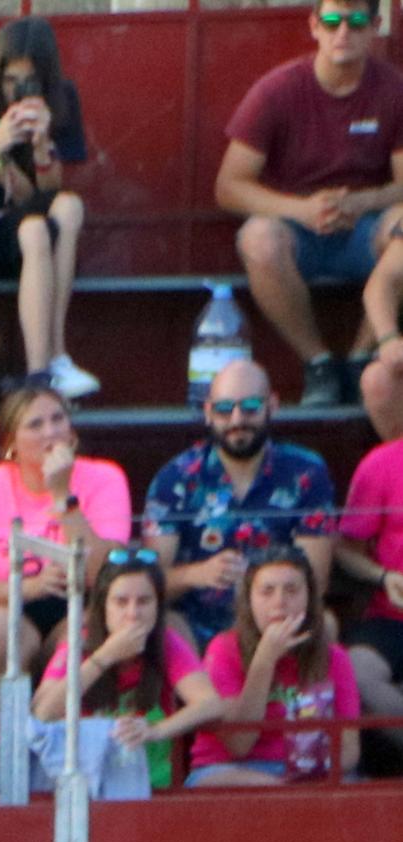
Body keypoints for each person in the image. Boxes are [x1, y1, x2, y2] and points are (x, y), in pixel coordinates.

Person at [217, 0, 403, 410]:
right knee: (258, 238)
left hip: (367, 231)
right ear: (314, 26)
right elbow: (229, 186)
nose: (343, 33)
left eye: (356, 22)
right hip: (297, 231)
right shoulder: (277, 89)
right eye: (333, 21)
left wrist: (362, 201)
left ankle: (360, 357)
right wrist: (300, 210)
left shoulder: (394, 90)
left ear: (374, 27)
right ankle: (317, 362)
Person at [0, 374, 126, 720]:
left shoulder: (104, 478)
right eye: (36, 424)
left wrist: (63, 497)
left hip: (78, 602)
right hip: (2, 606)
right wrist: (31, 587)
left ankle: (59, 756)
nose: (51, 432)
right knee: (2, 633)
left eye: (58, 419)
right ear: (10, 441)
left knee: (87, 629)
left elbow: (108, 574)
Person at [143, 356, 340, 652]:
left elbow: (316, 580)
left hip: (279, 615)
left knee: (326, 624)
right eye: (224, 409)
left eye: (250, 407)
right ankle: (204, 697)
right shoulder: (176, 477)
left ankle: (298, 699)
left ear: (271, 406)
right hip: (198, 624)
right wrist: (196, 574)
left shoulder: (306, 472)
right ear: (208, 412)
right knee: (165, 623)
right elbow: (150, 583)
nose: (237, 420)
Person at [0, 15, 95, 395]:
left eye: (27, 82)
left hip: (36, 224)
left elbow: (46, 193)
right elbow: (17, 197)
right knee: (34, 228)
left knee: (70, 207)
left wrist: (41, 144)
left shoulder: (63, 101)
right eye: (9, 80)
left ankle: (58, 356)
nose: (17, 91)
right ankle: (37, 373)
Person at [29, 550, 219, 796]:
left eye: (144, 601)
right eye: (121, 602)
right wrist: (104, 656)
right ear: (103, 606)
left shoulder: (166, 642)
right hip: (83, 789)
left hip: (151, 788)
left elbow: (210, 703)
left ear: (158, 606)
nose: (132, 613)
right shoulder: (78, 644)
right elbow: (42, 713)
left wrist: (155, 730)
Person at [189, 547, 357, 785]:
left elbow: (349, 750)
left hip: (310, 773)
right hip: (232, 769)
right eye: (267, 591)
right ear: (249, 599)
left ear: (309, 597)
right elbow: (239, 744)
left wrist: (310, 771)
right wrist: (264, 661)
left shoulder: (335, 657)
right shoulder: (223, 649)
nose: (279, 602)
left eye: (292, 590)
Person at [337, 425, 403, 747]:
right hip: (391, 619)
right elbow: (345, 548)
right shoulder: (382, 462)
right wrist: (382, 576)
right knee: (355, 670)